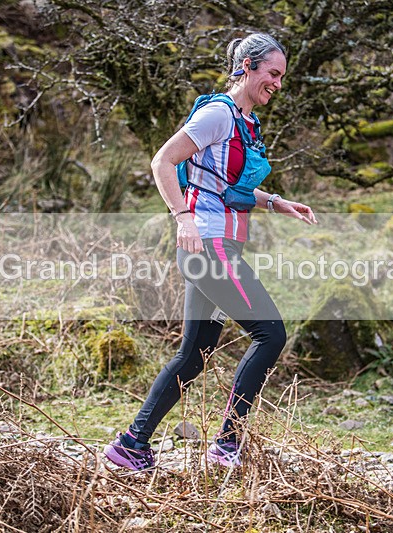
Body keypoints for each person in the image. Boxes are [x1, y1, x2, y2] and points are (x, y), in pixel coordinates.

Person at [103, 32, 317, 471]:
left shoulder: (246, 121)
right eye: (272, 73)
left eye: (282, 77)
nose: (277, 82)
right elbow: (162, 161)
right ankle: (226, 445)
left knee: (194, 354)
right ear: (247, 67)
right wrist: (182, 218)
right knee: (270, 332)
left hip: (219, 248)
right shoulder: (219, 113)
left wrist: (275, 202)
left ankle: (130, 446)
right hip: (208, 249)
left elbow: (225, 185)